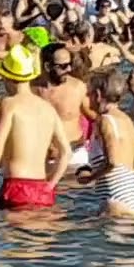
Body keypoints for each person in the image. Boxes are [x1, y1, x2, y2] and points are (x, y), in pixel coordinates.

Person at [0, 44, 73, 210]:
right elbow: (67, 152)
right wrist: (51, 185)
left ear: (8, 78)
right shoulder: (47, 107)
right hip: (43, 190)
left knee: (14, 234)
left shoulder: (9, 104)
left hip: (16, 187)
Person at [78, 68, 134, 218]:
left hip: (118, 202)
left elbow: (113, 162)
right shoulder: (126, 119)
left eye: (89, 93)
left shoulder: (105, 121)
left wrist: (90, 178)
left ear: (98, 95)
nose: (87, 97)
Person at [37, 42, 96, 171]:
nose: (69, 70)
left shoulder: (77, 87)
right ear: (47, 66)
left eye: (70, 64)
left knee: (78, 190)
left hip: (75, 154)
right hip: (41, 157)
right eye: (63, 66)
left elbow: (95, 116)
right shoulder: (31, 90)